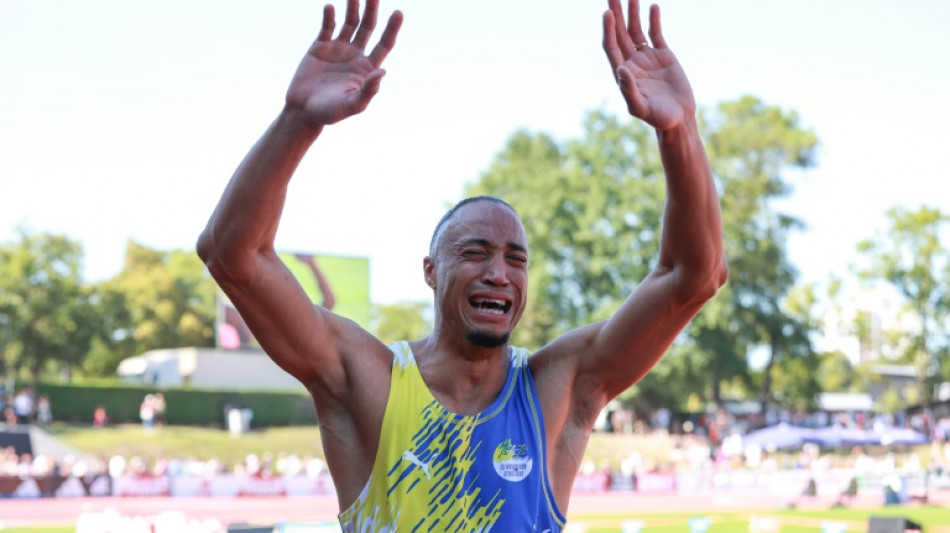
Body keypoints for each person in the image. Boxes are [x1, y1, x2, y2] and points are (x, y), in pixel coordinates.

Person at [197, 0, 726, 530]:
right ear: (431, 270)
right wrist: (298, 121)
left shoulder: (556, 390)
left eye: (516, 260)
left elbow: (694, 278)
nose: (499, 272)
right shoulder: (369, 381)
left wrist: (679, 132)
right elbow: (233, 255)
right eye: (476, 252)